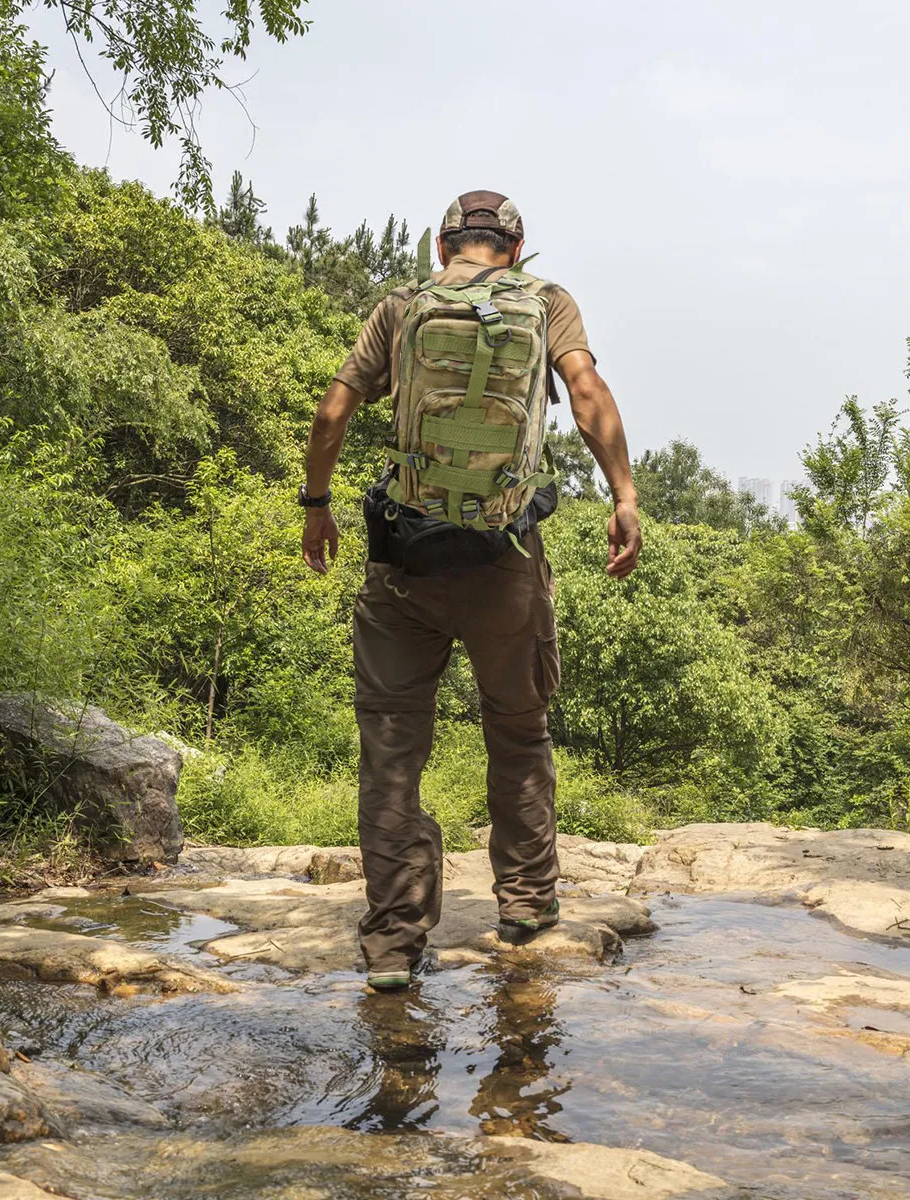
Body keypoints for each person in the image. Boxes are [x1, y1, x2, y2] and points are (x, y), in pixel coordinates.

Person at [301, 190, 640, 990]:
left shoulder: (402, 307)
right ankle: (524, 904)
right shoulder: (547, 303)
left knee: (391, 756)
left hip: (403, 569)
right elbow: (586, 396)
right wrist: (624, 496)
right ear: (516, 250)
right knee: (519, 735)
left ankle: (392, 944)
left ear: (441, 246)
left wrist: (316, 507)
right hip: (504, 563)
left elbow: (331, 413)